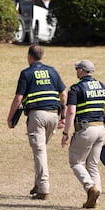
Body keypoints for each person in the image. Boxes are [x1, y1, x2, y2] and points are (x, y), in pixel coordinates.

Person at [7, 44, 67, 200]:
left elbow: (19, 98)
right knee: (40, 151)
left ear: (29, 56)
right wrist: (63, 117)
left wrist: (10, 117)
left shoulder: (26, 73)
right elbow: (64, 94)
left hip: (37, 116)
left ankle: (43, 189)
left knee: (39, 152)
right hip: (53, 116)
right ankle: (38, 184)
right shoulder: (53, 71)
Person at [61, 60, 105, 209]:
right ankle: (95, 201)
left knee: (76, 162)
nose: (76, 71)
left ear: (83, 71)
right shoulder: (102, 86)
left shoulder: (76, 88)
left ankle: (90, 187)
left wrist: (65, 132)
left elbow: (71, 112)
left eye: (77, 69)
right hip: (101, 129)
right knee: (92, 165)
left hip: (85, 130)